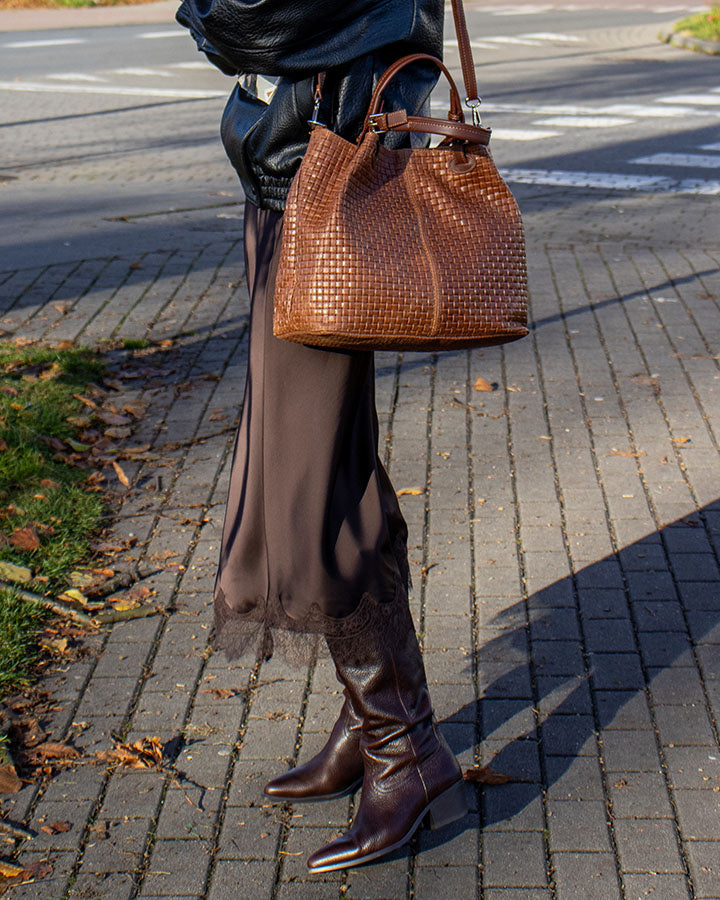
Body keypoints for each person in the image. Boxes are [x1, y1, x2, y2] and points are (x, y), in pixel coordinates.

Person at [176, 0, 468, 872]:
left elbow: (243, 21)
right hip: (310, 168)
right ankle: (370, 723)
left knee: (307, 484)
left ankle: (403, 745)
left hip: (323, 172)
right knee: (334, 461)